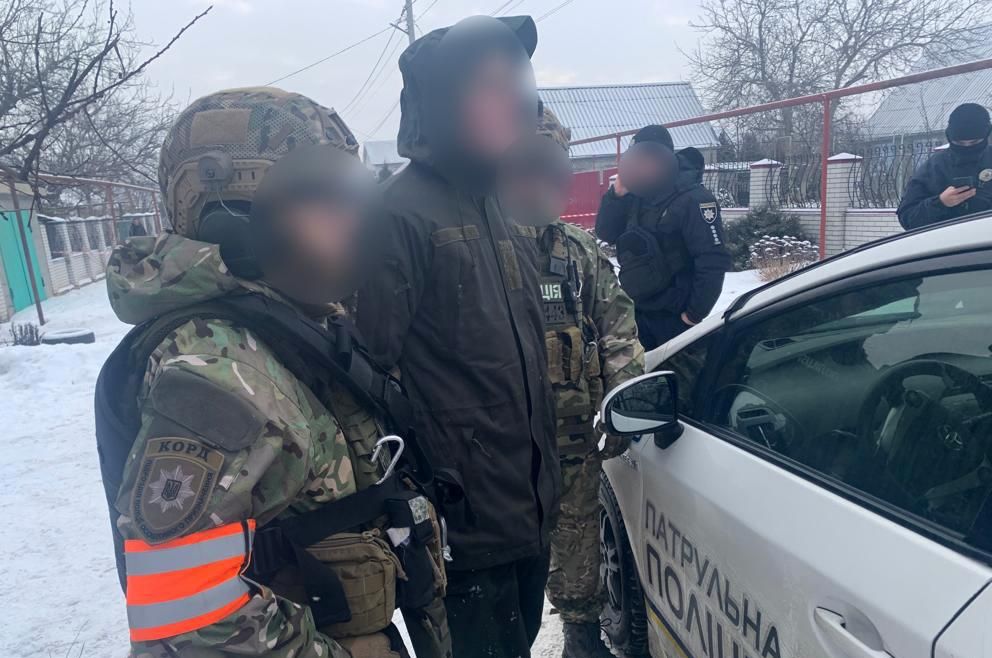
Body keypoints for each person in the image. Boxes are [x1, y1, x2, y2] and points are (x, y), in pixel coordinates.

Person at [94, 88, 450, 658]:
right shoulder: (219, 366)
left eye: (347, 198)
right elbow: (187, 614)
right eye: (319, 201)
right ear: (232, 219)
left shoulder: (288, 319)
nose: (350, 222)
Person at [355, 15, 559, 658]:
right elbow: (366, 375)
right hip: (461, 527)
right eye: (489, 87)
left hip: (526, 505)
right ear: (444, 102)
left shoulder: (501, 200)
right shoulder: (398, 213)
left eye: (515, 84)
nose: (513, 102)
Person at [499, 109, 644, 658]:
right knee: (502, 557)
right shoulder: (470, 247)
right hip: (496, 446)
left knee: (578, 534)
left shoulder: (578, 251)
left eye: (549, 168)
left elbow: (618, 329)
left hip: (572, 436)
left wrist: (623, 401)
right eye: (525, 167)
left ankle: (581, 637)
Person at [595, 124, 731, 351]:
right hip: (636, 311)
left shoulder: (694, 199)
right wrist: (616, 196)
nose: (642, 166)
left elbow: (712, 260)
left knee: (674, 373)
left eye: (648, 159)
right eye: (637, 160)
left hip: (675, 317)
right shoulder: (636, 193)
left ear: (664, 159)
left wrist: (694, 315)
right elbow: (606, 233)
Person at [898, 102, 992, 230]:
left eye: (974, 142)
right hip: (947, 241)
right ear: (950, 138)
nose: (967, 147)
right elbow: (907, 218)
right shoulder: (934, 167)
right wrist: (940, 203)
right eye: (959, 143)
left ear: (986, 135)